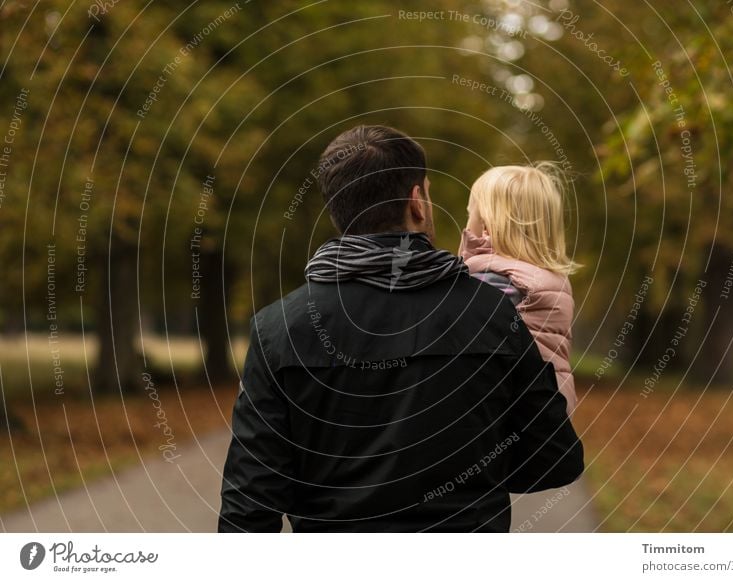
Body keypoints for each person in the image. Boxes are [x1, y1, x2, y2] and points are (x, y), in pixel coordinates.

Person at [218, 126, 583, 533]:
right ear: (417, 203)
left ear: (337, 207)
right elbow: (552, 459)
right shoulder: (491, 313)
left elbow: (250, 500)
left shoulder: (278, 328)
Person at [459, 164, 579, 415]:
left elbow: (460, 330)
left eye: (471, 214)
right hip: (549, 405)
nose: (467, 225)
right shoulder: (551, 278)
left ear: (489, 224)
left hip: (513, 409)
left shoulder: (499, 280)